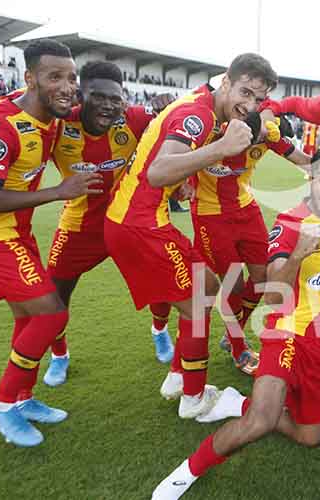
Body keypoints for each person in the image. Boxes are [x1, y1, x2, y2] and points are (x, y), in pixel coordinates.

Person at [151, 146, 320, 500]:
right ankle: (186, 472)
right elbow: (273, 293)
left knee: (310, 437)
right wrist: (297, 255)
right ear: (310, 179)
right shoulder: (291, 221)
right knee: (261, 422)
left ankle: (240, 401)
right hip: (286, 334)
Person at [104, 53, 275, 419]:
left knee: (207, 287)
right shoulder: (198, 115)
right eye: (245, 92)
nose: (250, 105)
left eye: (259, 99)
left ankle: (179, 377)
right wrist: (220, 149)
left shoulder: (202, 106)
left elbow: (164, 165)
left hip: (138, 219)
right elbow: (157, 171)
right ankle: (194, 399)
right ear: (225, 81)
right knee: (201, 298)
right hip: (140, 224)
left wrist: (181, 183)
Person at [0, 39, 103, 447]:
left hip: (14, 229)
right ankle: (2, 404)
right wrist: (60, 192)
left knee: (28, 317)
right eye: (54, 76)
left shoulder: (51, 117)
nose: (67, 86)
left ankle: (22, 397)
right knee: (51, 315)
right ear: (30, 78)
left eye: (71, 77)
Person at [41, 61, 175, 386]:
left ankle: (159, 330)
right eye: (98, 97)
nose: (108, 105)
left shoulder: (135, 120)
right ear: (79, 95)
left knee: (162, 279)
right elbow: (18, 113)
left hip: (129, 222)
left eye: (115, 99)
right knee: (53, 296)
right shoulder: (59, 124)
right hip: (79, 226)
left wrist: (170, 109)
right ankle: (59, 355)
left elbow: (183, 127)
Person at [190, 111, 310, 375]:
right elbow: (176, 158)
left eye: (253, 140)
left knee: (262, 280)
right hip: (210, 217)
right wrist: (183, 184)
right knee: (233, 285)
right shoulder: (208, 134)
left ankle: (234, 333)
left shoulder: (268, 134)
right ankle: (237, 347)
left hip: (247, 211)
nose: (249, 144)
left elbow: (305, 162)